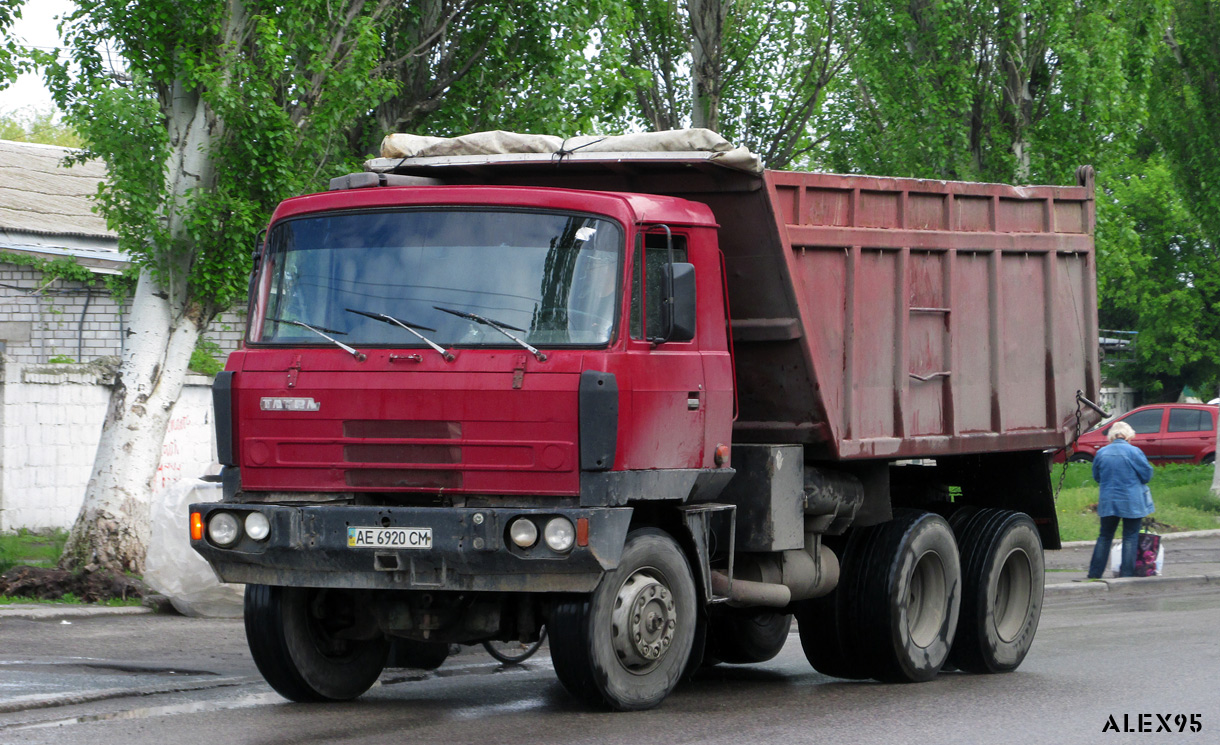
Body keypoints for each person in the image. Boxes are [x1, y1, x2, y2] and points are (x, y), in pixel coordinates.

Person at [1087, 421, 1154, 578]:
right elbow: (1146, 476)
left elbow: (1097, 477)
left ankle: (1094, 574)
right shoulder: (1134, 452)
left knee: (1105, 536)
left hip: (1108, 502)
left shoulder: (1101, 453)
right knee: (1130, 536)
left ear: (1111, 437)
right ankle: (1126, 574)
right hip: (1132, 502)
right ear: (1129, 436)